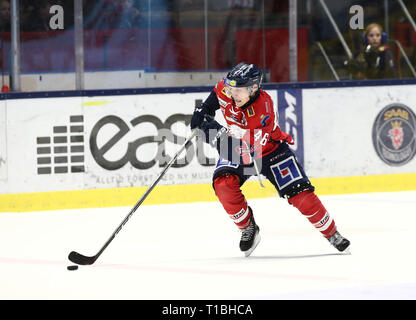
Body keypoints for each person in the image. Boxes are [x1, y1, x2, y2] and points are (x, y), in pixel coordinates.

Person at [190, 62, 350, 257]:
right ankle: (248, 227)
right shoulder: (229, 89)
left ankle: (331, 233)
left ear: (254, 88)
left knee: (301, 195)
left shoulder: (262, 109)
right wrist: (204, 110)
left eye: (239, 90)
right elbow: (217, 96)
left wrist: (209, 130)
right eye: (231, 89)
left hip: (269, 151)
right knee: (223, 184)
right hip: (236, 144)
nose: (233, 94)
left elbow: (244, 153)